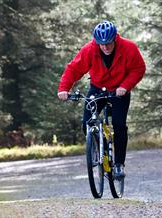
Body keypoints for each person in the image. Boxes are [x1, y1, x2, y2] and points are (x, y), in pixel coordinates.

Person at [57, 21, 146, 178]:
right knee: (87, 123)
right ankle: (99, 151)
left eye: (108, 43)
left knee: (118, 125)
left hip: (120, 90)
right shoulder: (89, 49)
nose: (105, 47)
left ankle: (118, 164)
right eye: (101, 44)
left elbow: (138, 68)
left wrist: (125, 86)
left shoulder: (128, 47)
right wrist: (64, 89)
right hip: (97, 88)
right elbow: (74, 69)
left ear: (115, 39)